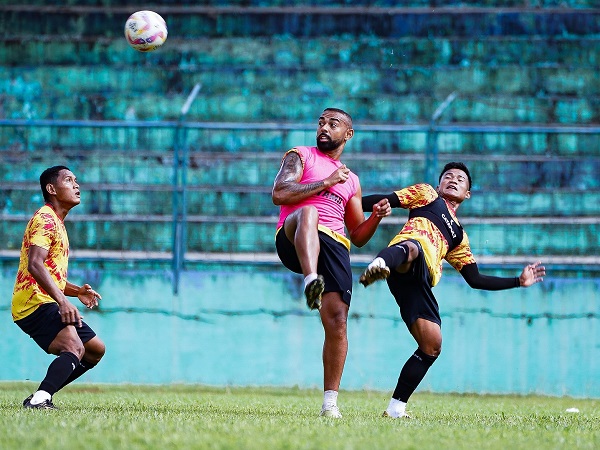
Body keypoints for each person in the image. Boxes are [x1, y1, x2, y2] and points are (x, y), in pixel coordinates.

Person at [359, 161, 546, 418]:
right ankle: (380, 263)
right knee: (414, 247)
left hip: (421, 281)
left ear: (467, 193)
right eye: (448, 176)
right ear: (439, 184)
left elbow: (475, 279)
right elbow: (385, 199)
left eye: (460, 178)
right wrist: (345, 203)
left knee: (431, 345)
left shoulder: (458, 237)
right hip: (405, 256)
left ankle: (395, 409)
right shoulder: (427, 194)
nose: (453, 179)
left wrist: (518, 281)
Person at [272, 108, 391, 418]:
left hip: (335, 244)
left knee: (337, 321)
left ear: (347, 134)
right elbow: (280, 192)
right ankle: (311, 279)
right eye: (320, 122)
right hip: (295, 233)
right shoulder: (300, 156)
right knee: (310, 213)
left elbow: (358, 234)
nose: (323, 127)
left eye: (332, 124)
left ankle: (330, 405)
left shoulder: (351, 180)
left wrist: (375, 217)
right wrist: (325, 181)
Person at [12, 166, 106, 410]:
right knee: (73, 347)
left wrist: (76, 292)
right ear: (51, 189)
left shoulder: (57, 222)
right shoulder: (45, 218)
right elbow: (35, 265)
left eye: (76, 180)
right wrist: (63, 302)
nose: (76, 185)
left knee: (94, 350)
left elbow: (49, 274)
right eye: (68, 180)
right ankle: (41, 398)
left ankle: (42, 393)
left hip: (46, 298)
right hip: (34, 302)